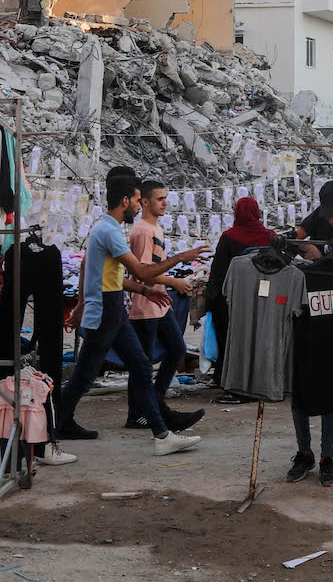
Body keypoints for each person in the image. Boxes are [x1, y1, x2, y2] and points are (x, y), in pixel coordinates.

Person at [53, 174, 208, 453]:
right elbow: (142, 271)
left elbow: (100, 272)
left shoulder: (103, 228)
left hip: (112, 309)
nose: (139, 206)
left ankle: (161, 433)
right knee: (85, 377)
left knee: (139, 366)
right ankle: (47, 433)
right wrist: (181, 258)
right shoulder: (110, 231)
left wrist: (145, 292)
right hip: (105, 312)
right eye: (137, 201)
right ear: (125, 200)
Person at [122, 179, 205, 432]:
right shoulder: (143, 231)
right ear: (145, 202)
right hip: (146, 303)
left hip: (158, 302)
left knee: (175, 349)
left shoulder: (153, 229)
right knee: (143, 363)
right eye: (160, 199)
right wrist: (174, 281)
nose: (165, 203)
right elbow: (143, 272)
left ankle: (153, 405)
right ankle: (142, 412)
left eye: (166, 198)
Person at [201, 195, 274, 403]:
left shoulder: (229, 237)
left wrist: (211, 302)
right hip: (263, 300)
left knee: (230, 339)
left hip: (232, 301)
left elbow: (217, 274)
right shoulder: (270, 236)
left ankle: (229, 378)